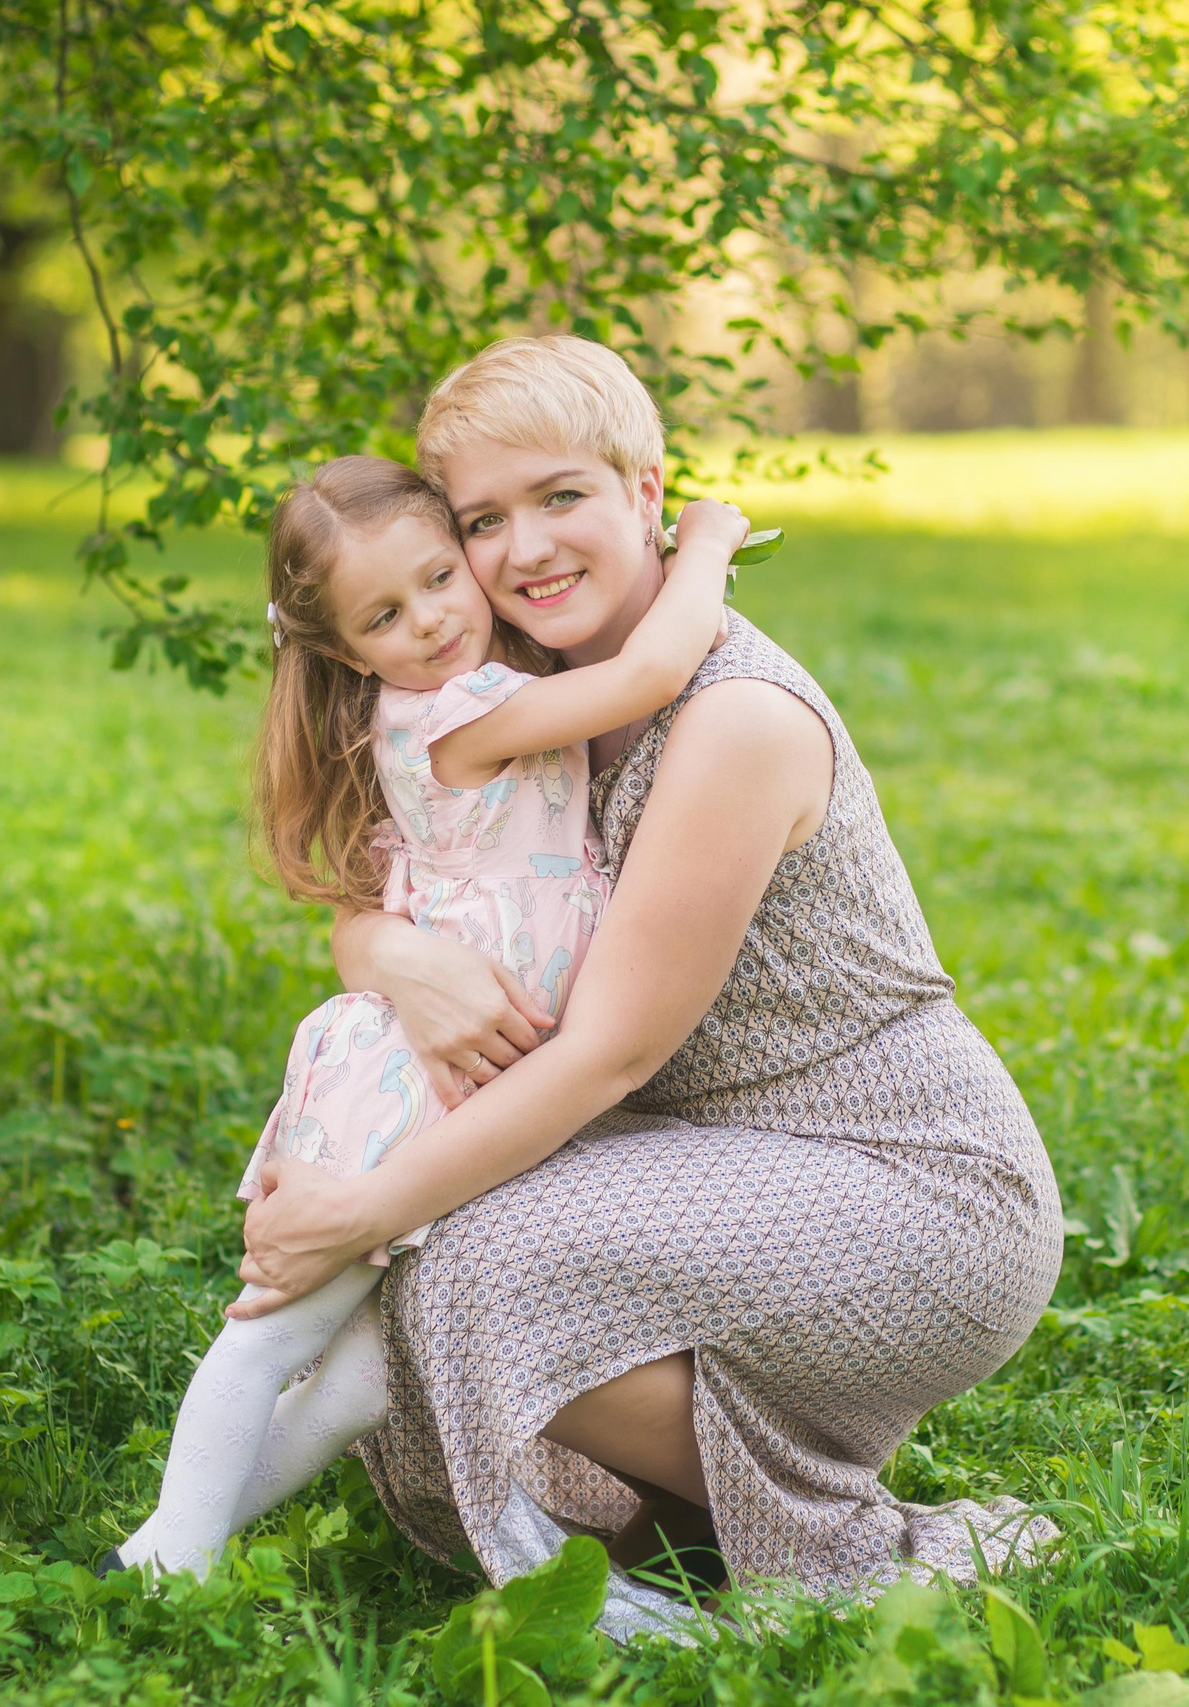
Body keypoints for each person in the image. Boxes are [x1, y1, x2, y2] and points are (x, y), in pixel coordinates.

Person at [235, 337, 1064, 1631]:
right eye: (484, 520)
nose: (523, 550)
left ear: (647, 489)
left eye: (561, 496)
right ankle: (702, 1512)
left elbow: (608, 1054)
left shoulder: (728, 715)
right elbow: (400, 882)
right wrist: (390, 955)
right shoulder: (527, 684)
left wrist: (360, 1212)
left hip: (914, 1177)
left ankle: (858, 1540)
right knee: (413, 1164)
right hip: (716, 1149)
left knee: (450, 1244)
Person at [105, 454, 746, 1578]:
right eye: (385, 615)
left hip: (460, 1062)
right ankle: (175, 1559)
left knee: (357, 1374)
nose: (434, 620)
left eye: (441, 578)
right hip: (421, 1076)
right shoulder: (459, 711)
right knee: (278, 1326)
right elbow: (649, 671)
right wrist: (707, 544)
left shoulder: (460, 694)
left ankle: (165, 1550)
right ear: (349, 652)